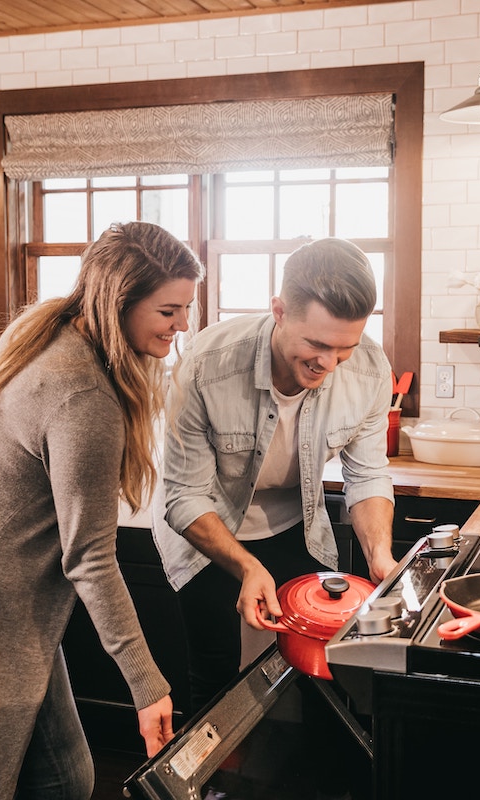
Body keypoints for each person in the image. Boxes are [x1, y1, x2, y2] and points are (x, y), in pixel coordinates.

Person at [0, 221, 203, 800]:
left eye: (186, 309)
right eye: (168, 311)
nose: (181, 325)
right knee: (41, 779)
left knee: (58, 774)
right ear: (118, 301)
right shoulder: (84, 394)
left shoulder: (51, 333)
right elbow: (90, 559)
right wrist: (148, 685)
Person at [152, 237, 396, 712]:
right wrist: (247, 567)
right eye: (317, 344)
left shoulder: (369, 369)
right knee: (215, 673)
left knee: (321, 670)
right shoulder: (206, 365)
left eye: (344, 348)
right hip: (207, 527)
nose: (329, 364)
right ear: (279, 311)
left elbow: (367, 475)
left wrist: (380, 555)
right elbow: (184, 496)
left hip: (294, 523)